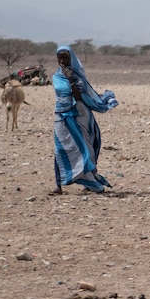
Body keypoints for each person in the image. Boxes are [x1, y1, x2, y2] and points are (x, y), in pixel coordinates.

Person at [50, 45, 118, 195]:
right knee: (60, 149)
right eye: (59, 58)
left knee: (85, 149)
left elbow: (80, 96)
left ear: (71, 58)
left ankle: (90, 182)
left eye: (65, 58)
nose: (62, 61)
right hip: (61, 116)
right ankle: (59, 185)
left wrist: (70, 79)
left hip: (79, 116)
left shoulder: (77, 75)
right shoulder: (56, 76)